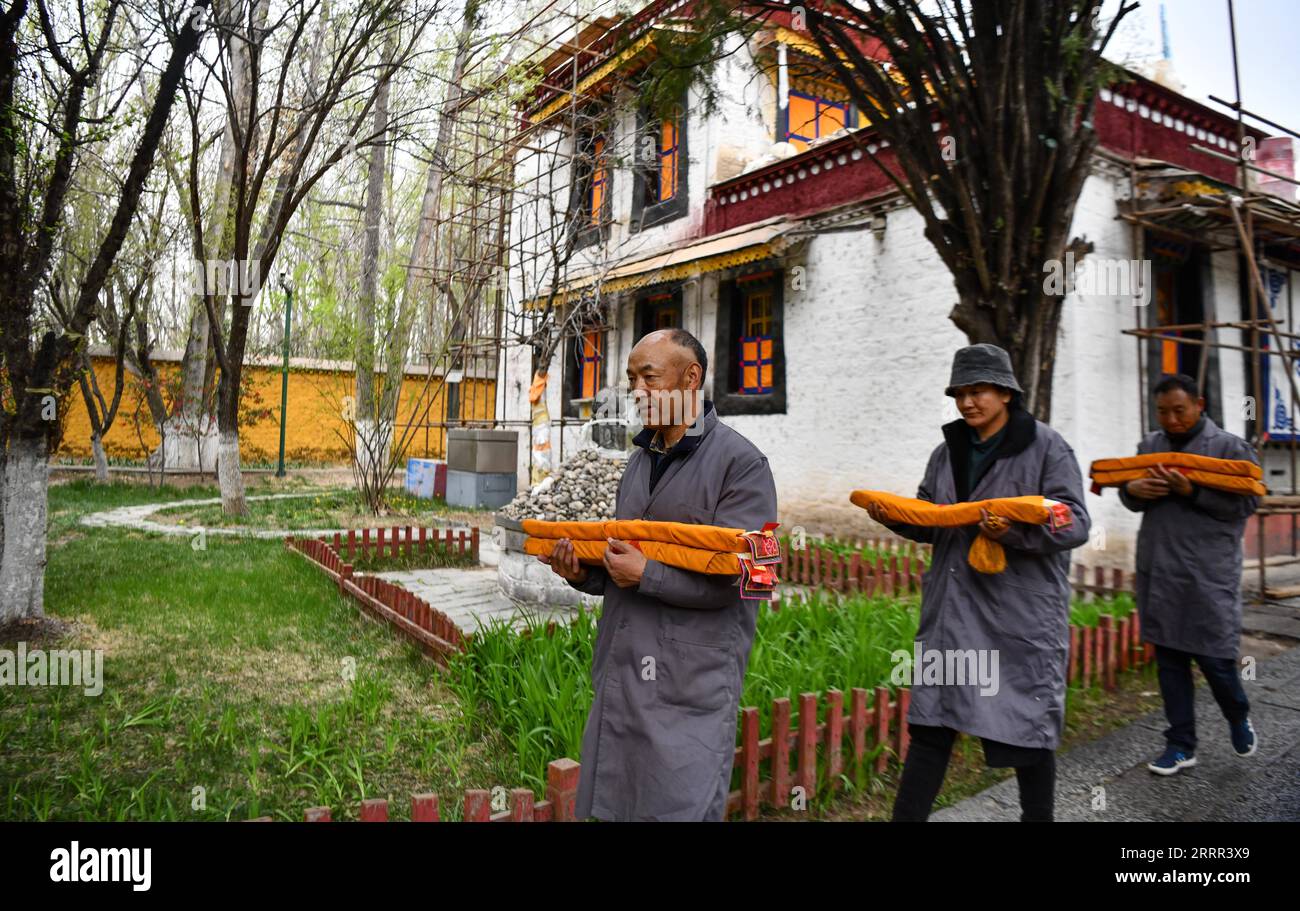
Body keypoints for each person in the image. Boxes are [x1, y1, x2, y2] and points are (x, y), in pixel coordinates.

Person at [539, 328, 778, 821]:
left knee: (677, 805)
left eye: (650, 377)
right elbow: (619, 563)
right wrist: (580, 573)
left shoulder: (743, 466)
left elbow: (755, 579)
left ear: (692, 378)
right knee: (617, 803)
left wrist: (650, 574)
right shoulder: (638, 462)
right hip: (625, 670)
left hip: (689, 681)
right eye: (632, 380)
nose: (638, 392)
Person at [868, 343, 1090, 821]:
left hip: (1015, 616)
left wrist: (1010, 532)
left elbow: (1074, 524)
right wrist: (897, 518)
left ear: (1006, 393)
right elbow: (932, 518)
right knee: (931, 729)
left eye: (980, 390)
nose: (968, 402)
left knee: (1025, 732)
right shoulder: (946, 453)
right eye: (961, 393)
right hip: (952, 613)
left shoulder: (1047, 447)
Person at [1118, 373, 1260, 775]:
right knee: (1169, 660)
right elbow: (1129, 499)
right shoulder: (1150, 447)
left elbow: (1244, 507)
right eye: (1163, 412)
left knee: (1215, 660)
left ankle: (1238, 715)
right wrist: (1132, 493)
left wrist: (1192, 492)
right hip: (1160, 569)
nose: (1172, 419)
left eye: (1180, 410)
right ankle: (1181, 744)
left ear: (1199, 405)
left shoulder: (1231, 448)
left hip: (1207, 573)